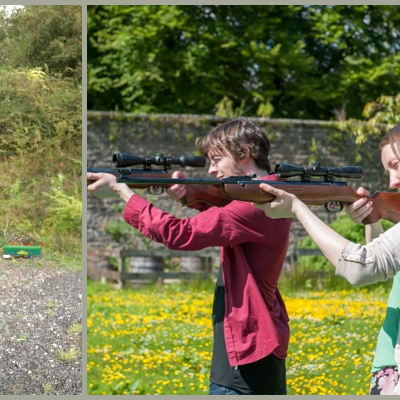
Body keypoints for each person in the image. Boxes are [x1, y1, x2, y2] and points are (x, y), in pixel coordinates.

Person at [88, 118, 293, 395]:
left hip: (245, 361)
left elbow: (179, 233)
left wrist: (123, 191)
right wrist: (190, 193)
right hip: (254, 347)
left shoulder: (257, 205)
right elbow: (225, 208)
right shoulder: (267, 195)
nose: (212, 169)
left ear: (244, 153)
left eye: (217, 159)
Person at [254, 117, 400, 395]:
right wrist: (373, 217)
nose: (392, 181)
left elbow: (361, 268)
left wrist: (299, 209)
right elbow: (389, 264)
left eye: (396, 165)